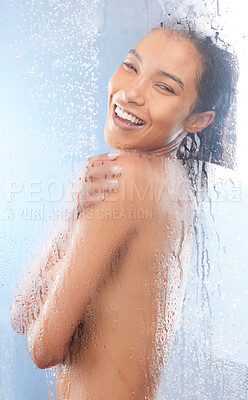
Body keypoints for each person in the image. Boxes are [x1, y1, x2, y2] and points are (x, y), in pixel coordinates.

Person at [10, 22, 238, 399]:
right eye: (131, 66)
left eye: (164, 87)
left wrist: (71, 211)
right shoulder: (173, 181)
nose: (131, 93)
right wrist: (73, 212)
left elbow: (41, 346)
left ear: (198, 120)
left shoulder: (124, 177)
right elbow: (25, 317)